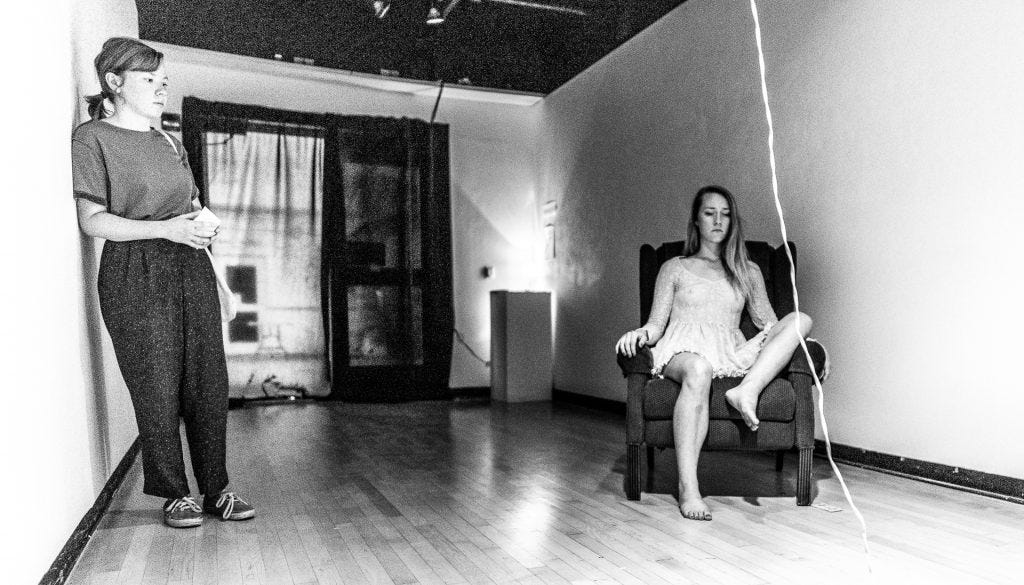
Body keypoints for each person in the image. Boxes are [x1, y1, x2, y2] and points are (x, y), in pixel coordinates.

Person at [72, 37, 254, 528]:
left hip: (190, 264)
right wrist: (166, 229)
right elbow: (93, 220)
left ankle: (217, 489)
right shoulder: (93, 139)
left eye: (164, 81)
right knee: (155, 384)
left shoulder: (170, 142)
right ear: (114, 82)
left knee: (207, 382)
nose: (160, 89)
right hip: (134, 269)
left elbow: (191, 209)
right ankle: (175, 493)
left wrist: (215, 264)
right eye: (149, 80)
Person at [614, 185, 812, 521]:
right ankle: (688, 488)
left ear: (733, 221)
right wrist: (639, 334)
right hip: (682, 349)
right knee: (699, 369)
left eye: (725, 214)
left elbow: (772, 325)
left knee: (801, 319)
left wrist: (811, 346)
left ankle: (745, 391)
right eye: (710, 213)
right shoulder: (674, 268)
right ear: (696, 220)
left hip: (729, 351)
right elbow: (656, 324)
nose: (718, 221)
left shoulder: (748, 271)